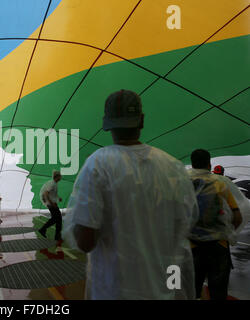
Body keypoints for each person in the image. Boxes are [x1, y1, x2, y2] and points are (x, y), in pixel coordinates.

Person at [62, 89, 199, 299]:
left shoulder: (98, 164)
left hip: (115, 291)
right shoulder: (173, 167)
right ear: (141, 121)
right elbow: (184, 227)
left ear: (107, 123)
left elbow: (85, 241)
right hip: (165, 290)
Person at [188, 149, 243, 300]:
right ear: (209, 163)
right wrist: (227, 233)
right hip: (218, 247)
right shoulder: (220, 182)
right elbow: (237, 216)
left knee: (189, 291)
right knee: (218, 293)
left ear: (192, 163)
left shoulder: (181, 182)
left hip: (191, 248)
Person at [39, 170, 63, 241]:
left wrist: (58, 198)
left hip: (50, 203)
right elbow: (46, 193)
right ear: (57, 177)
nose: (61, 177)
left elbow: (52, 194)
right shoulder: (52, 184)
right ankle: (43, 229)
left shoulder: (54, 183)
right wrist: (51, 204)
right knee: (57, 218)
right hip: (50, 204)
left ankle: (56, 235)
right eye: (60, 176)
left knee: (57, 219)